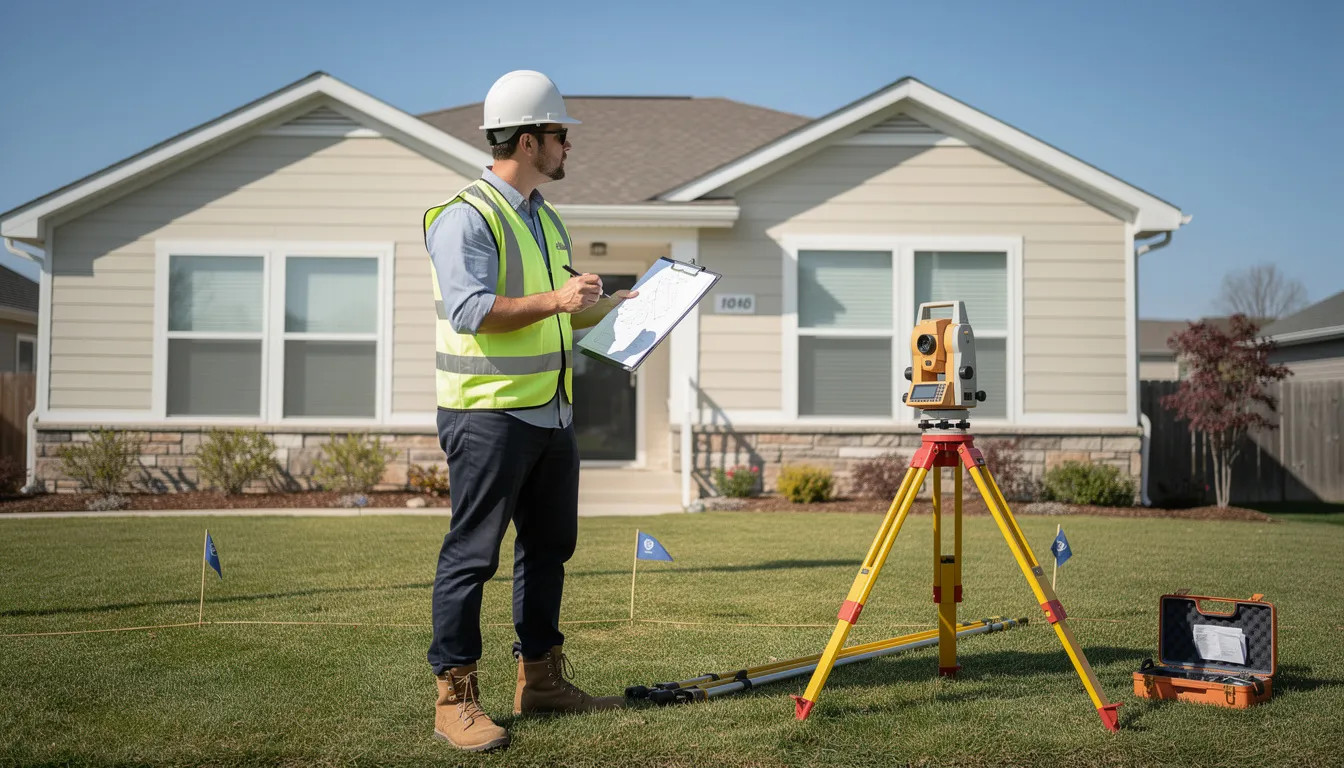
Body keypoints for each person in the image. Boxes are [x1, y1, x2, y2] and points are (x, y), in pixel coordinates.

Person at [420, 70, 637, 753]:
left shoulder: (544, 217)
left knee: (549, 550)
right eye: (560, 134)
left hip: (550, 413)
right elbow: (472, 311)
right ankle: (454, 699)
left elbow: (558, 316)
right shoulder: (465, 216)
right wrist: (559, 301)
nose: (568, 145)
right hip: (486, 414)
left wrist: (615, 309)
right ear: (526, 139)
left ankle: (540, 681)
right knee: (472, 556)